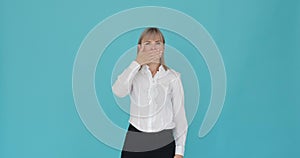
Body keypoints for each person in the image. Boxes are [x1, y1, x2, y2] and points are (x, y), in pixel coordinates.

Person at [112, 27, 188, 158]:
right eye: (148, 43)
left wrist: (179, 152)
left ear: (163, 48)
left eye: (158, 43)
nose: (153, 47)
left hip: (164, 141)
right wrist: (136, 63)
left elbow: (180, 117)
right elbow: (119, 91)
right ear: (140, 48)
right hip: (135, 139)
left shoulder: (173, 77)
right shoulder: (133, 74)